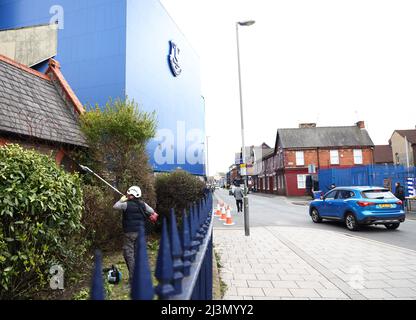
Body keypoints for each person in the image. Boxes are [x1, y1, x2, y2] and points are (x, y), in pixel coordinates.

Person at [113, 186, 158, 284]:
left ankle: (133, 278)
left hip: (129, 233)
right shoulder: (143, 204)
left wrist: (121, 200)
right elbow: (152, 212)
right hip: (141, 233)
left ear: (131, 195)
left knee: (129, 255)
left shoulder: (125, 205)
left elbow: (115, 206)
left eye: (129, 193)